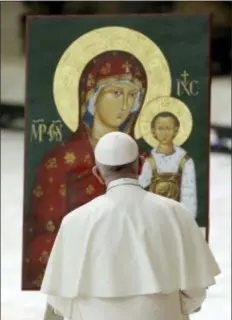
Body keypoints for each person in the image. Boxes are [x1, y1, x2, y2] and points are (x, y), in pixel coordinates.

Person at [41, 131, 220, 320]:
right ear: (141, 166)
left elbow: (59, 299)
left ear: (97, 173)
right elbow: (196, 291)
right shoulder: (176, 212)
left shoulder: (74, 221)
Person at [22, 50, 147, 290]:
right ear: (91, 96)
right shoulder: (60, 161)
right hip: (78, 280)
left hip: (135, 283)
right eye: (116, 92)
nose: (125, 104)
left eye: (133, 95)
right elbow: (43, 237)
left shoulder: (144, 160)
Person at [139, 109, 197, 218]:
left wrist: (188, 221)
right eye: (160, 128)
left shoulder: (185, 161)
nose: (164, 133)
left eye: (168, 128)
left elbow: (189, 194)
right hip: (153, 215)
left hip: (176, 215)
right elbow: (141, 184)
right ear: (153, 131)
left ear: (175, 130)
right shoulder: (149, 160)